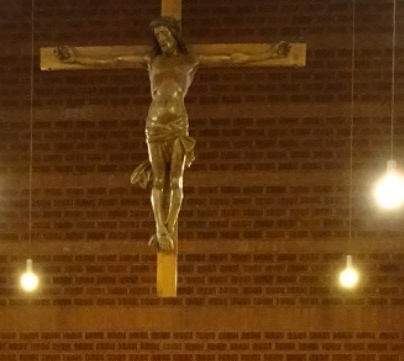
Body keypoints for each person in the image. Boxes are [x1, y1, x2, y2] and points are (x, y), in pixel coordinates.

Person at [51, 20, 291, 251]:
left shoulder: (190, 60)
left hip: (178, 124)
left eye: (165, 34)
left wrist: (270, 54)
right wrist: (77, 58)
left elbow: (232, 58)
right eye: (158, 36)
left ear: (175, 35)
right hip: (154, 124)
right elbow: (112, 59)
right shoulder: (151, 60)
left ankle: (169, 226)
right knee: (158, 179)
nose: (162, 39)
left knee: (175, 179)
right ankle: (160, 230)